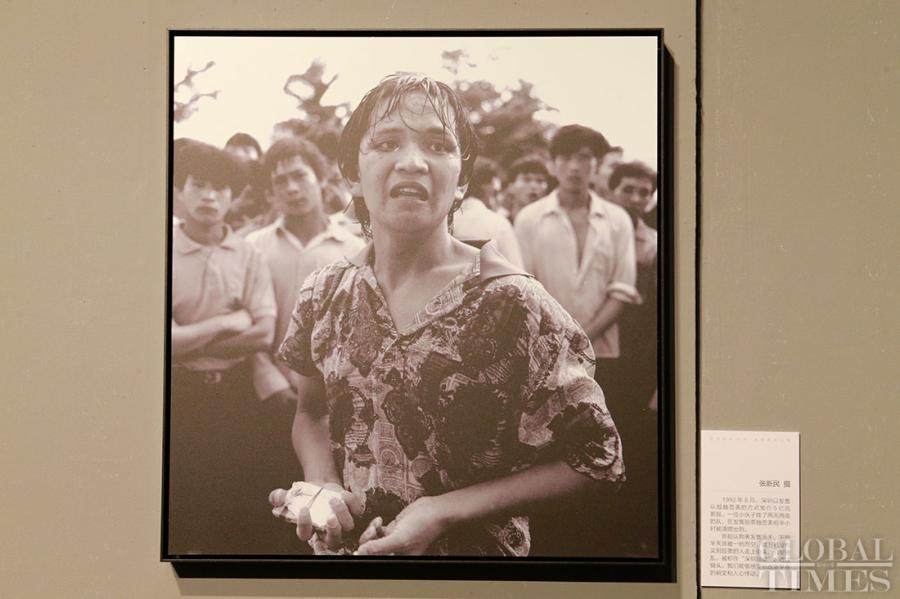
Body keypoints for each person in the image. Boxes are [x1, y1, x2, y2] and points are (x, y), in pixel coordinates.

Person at [270, 73, 624, 557]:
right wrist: (323, 485)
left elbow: (597, 461)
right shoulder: (324, 292)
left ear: (462, 181)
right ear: (352, 173)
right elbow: (311, 411)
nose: (412, 162)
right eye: (387, 143)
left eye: (438, 145)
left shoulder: (514, 303)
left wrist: (443, 512)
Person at [168, 140, 284, 554]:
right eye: (198, 185)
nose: (209, 196)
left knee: (237, 497)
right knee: (182, 501)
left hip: (237, 393)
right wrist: (225, 322)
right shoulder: (161, 250)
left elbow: (263, 334)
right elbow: (161, 346)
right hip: (179, 393)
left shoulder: (248, 255)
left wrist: (190, 338)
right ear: (180, 191)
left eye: (219, 188)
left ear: (233, 197)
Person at [246, 137, 364, 484]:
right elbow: (248, 320)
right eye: (280, 181)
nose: (292, 188)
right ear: (271, 191)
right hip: (268, 397)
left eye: (300, 175)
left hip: (334, 404)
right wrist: (269, 382)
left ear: (321, 178)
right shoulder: (254, 247)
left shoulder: (354, 249)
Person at [451, 157, 524, 267]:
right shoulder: (498, 223)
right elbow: (517, 270)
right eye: (496, 192)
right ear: (488, 187)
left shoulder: (442, 220)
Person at [501, 156, 549, 222]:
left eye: (540, 181)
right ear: (511, 186)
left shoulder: (550, 223)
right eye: (527, 180)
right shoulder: (501, 224)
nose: (534, 186)